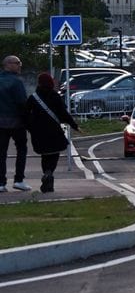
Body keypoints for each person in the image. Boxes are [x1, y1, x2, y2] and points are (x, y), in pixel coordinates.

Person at [25, 72, 79, 193]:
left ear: (39, 83)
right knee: (54, 155)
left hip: (38, 133)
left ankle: (47, 175)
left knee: (45, 155)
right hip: (54, 131)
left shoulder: (33, 97)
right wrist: (74, 125)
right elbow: (63, 114)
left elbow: (25, 114)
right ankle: (49, 174)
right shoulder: (55, 96)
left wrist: (30, 128)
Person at [0, 55, 29, 192]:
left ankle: (1, 182)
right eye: (18, 63)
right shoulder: (16, 82)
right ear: (9, 64)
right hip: (17, 122)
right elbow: (22, 103)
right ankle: (19, 180)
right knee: (22, 149)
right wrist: (28, 121)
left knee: (1, 153)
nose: (20, 66)